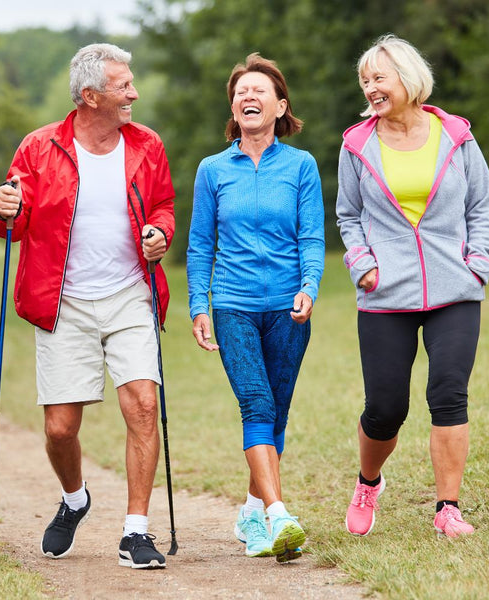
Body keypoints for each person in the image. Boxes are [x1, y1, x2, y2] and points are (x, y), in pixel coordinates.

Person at [0, 43, 174, 569]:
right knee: (60, 430)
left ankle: (136, 531)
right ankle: (75, 499)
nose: (133, 93)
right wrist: (8, 208)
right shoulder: (38, 148)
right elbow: (14, 225)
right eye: (124, 86)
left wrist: (159, 233)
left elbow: (163, 206)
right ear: (90, 96)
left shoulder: (147, 145)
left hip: (129, 295)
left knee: (142, 402)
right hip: (62, 301)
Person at [336, 34, 489, 539]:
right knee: (386, 408)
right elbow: (348, 214)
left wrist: (478, 263)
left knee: (449, 394)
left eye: (379, 78)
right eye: (365, 81)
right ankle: (368, 482)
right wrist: (363, 264)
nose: (370, 88)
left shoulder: (456, 136)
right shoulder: (356, 145)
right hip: (385, 292)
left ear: (407, 78)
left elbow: (481, 204)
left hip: (455, 286)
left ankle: (447, 507)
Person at [187, 53, 324, 562]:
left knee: (277, 412)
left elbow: (312, 236)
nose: (248, 96)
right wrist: (198, 304)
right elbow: (201, 244)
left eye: (259, 90)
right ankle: (279, 514)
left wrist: (310, 285)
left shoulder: (301, 165)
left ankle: (251, 510)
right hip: (234, 304)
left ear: (280, 105)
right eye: (241, 90)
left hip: (289, 307)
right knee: (256, 404)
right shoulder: (212, 170)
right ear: (233, 106)